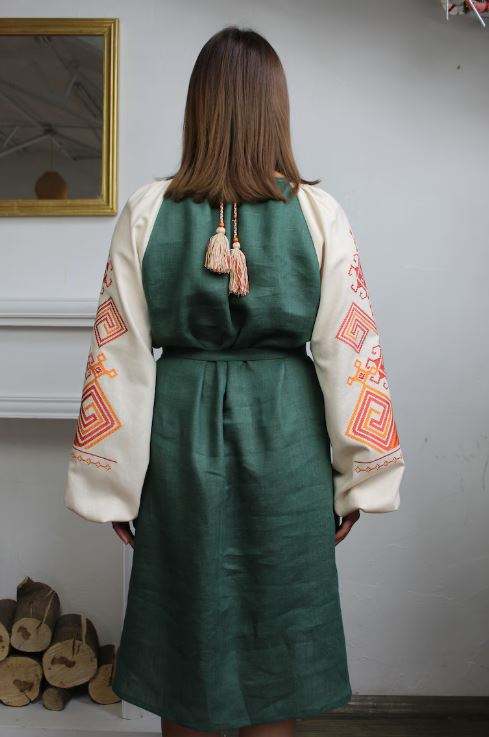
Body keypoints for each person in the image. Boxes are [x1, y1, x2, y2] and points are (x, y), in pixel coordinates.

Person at [64, 25, 405, 737]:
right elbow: (349, 348)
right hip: (287, 439)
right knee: (274, 648)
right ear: (275, 109)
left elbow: (118, 355)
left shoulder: (148, 210)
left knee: (184, 646)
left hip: (178, 438)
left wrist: (112, 485)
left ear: (199, 108)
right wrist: (360, 477)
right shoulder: (317, 212)